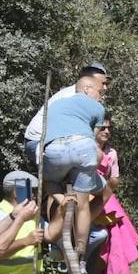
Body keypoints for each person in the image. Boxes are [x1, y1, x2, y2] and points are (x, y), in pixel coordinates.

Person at [43, 75, 107, 259]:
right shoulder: (98, 108)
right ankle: (81, 245)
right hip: (83, 147)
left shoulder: (55, 105)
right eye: (99, 92)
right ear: (86, 89)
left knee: (49, 181)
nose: (100, 96)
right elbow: (93, 139)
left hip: (55, 150)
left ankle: (62, 198)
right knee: (83, 204)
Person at [23, 63, 108, 166]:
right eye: (102, 83)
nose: (105, 87)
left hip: (53, 143)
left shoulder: (82, 95)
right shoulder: (74, 97)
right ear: (88, 82)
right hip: (39, 142)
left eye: (106, 83)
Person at [95, 115, 138, 274]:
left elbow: (114, 178)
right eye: (102, 128)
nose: (106, 131)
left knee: (113, 237)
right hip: (87, 196)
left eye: (109, 128)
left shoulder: (111, 152)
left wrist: (112, 183)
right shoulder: (86, 149)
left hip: (105, 197)